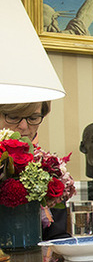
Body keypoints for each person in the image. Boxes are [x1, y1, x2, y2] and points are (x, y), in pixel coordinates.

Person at [1, 101, 67, 239]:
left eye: (33, 118)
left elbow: (57, 237)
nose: (24, 126)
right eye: (13, 117)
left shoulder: (46, 167)